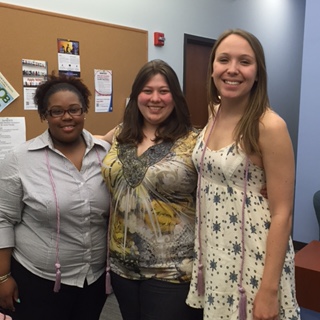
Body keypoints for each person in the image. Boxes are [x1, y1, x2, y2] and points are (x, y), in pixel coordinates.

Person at [186, 29, 301, 319]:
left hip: (254, 260)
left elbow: (282, 214)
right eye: (224, 59)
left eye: (244, 61)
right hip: (216, 253)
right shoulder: (215, 113)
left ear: (258, 72)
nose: (232, 69)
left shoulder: (269, 126)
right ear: (212, 67)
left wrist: (269, 290)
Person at [0, 74, 111, 320]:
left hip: (93, 280)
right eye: (56, 111)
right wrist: (3, 277)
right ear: (44, 115)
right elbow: (3, 218)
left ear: (84, 111)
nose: (67, 117)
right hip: (38, 280)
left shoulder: (105, 154)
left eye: (74, 110)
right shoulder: (20, 158)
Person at [100, 59, 203, 320]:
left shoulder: (194, 140)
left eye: (163, 91)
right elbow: (87, 143)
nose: (154, 98)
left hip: (172, 270)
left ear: (175, 97)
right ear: (136, 96)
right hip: (122, 268)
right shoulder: (122, 133)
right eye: (147, 91)